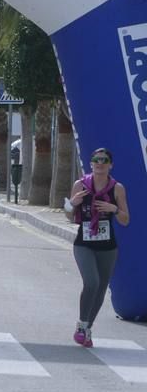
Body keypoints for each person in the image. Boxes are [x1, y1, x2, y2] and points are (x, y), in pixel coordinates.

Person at [65, 148, 129, 348]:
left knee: (101, 289)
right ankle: (82, 324)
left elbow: (126, 220)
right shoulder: (80, 185)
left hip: (107, 247)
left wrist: (115, 209)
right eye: (96, 159)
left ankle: (87, 328)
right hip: (84, 244)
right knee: (91, 282)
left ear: (111, 165)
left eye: (104, 160)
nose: (100, 163)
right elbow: (68, 216)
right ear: (91, 163)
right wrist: (72, 204)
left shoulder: (117, 188)